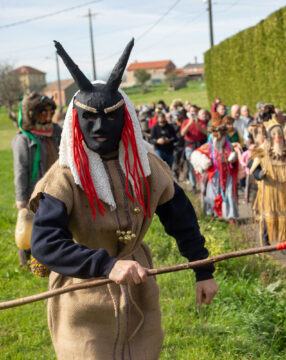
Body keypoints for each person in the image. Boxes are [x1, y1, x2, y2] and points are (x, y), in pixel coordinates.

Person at [30, 39, 218, 360]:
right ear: (76, 121)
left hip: (138, 290)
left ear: (126, 117)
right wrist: (105, 264)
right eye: (90, 118)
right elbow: (46, 244)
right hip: (81, 297)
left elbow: (181, 218)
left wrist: (203, 270)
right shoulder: (63, 178)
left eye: (111, 116)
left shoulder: (147, 167)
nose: (101, 126)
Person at [12, 92, 62, 266]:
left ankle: (53, 253)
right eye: (43, 112)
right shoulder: (24, 139)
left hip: (58, 185)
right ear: (33, 114)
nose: (47, 116)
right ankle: (27, 259)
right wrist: (21, 199)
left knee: (55, 222)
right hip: (36, 190)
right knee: (32, 226)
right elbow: (20, 171)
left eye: (50, 111)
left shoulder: (56, 132)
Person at [250, 116, 286, 256]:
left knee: (285, 219)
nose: (277, 136)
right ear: (269, 136)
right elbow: (254, 168)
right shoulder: (262, 150)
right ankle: (266, 237)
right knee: (270, 216)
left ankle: (284, 246)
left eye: (279, 133)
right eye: (274, 134)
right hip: (270, 191)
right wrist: (259, 174)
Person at [190, 116, 239, 223]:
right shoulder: (209, 146)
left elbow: (234, 157)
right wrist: (204, 162)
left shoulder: (228, 146)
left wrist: (233, 159)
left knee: (229, 195)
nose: (218, 136)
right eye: (215, 133)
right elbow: (195, 154)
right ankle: (216, 215)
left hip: (227, 175)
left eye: (220, 133)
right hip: (214, 176)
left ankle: (231, 217)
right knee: (212, 195)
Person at [181, 107, 208, 193]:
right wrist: (189, 123)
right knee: (191, 166)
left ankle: (203, 184)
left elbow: (205, 132)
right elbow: (182, 133)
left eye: (195, 112)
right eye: (191, 112)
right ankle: (193, 185)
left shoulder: (201, 122)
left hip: (200, 146)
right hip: (189, 146)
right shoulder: (185, 122)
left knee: (201, 166)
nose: (193, 113)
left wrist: (197, 124)